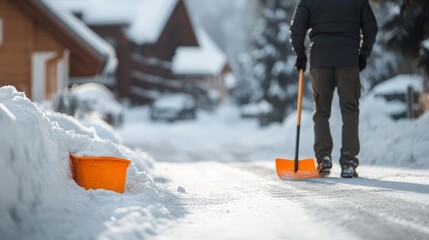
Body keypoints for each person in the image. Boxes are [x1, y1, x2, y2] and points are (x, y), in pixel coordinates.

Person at [290, 0, 378, 178]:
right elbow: (371, 27)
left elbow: (297, 29)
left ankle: (324, 158)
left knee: (321, 111)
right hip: (348, 59)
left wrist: (300, 55)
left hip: (320, 60)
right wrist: (363, 54)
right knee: (350, 110)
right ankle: (349, 161)